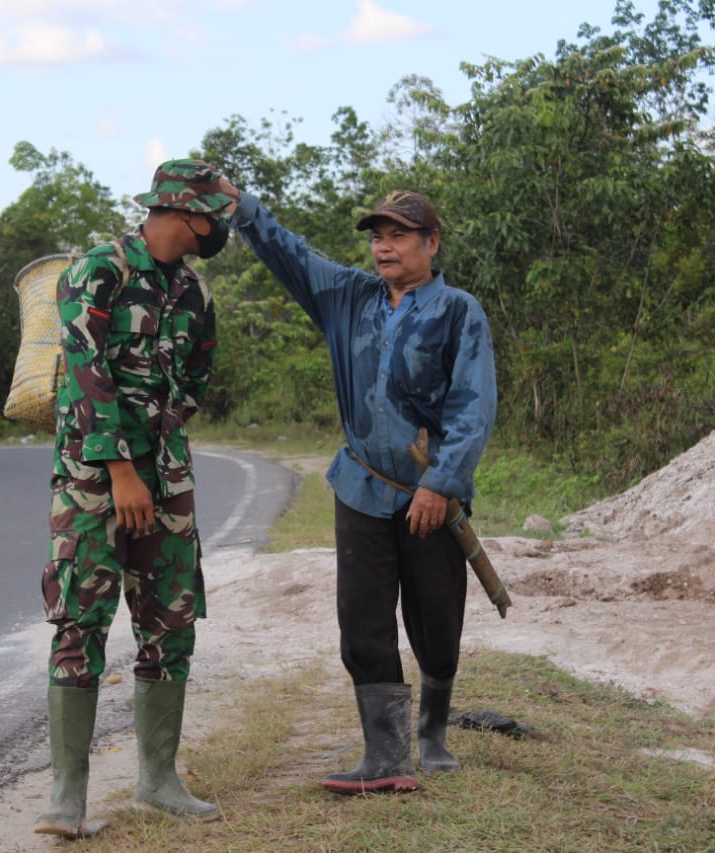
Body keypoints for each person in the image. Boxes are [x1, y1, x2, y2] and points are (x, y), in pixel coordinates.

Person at [221, 180, 497, 794]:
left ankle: (432, 732)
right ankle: (387, 755)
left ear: (432, 242)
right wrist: (242, 207)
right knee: (363, 620)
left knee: (436, 617)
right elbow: (290, 254)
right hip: (360, 488)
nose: (384, 246)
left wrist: (442, 482)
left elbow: (473, 404)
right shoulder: (349, 298)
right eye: (378, 236)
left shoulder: (458, 311)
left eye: (399, 235)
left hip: (430, 494)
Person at [34, 159, 236, 837]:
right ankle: (68, 796)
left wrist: (161, 449)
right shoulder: (99, 271)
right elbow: (85, 374)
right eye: (215, 213)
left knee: (171, 622)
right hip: (94, 479)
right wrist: (121, 465)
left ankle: (158, 779)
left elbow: (197, 376)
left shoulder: (191, 290)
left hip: (167, 480)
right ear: (185, 211)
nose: (220, 226)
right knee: (79, 622)